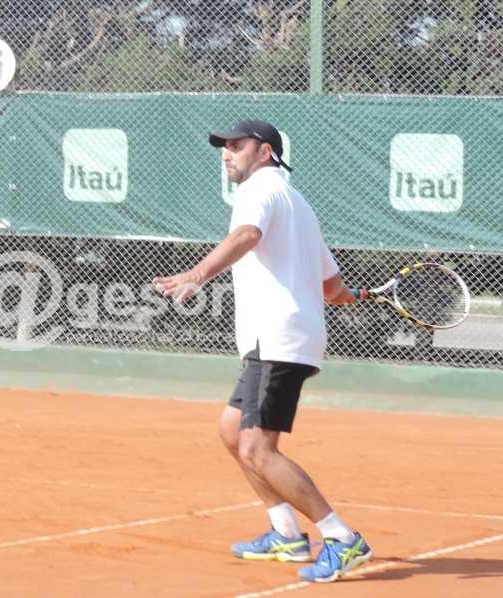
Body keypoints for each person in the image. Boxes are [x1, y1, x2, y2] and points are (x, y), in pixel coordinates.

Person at [152, 119, 372, 583]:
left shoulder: (258, 191)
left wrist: (197, 274)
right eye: (225, 146)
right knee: (232, 430)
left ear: (265, 152)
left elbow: (246, 236)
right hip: (279, 338)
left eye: (237, 146)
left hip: (278, 337)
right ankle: (286, 532)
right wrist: (352, 295)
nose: (227, 153)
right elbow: (332, 288)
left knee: (256, 448)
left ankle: (341, 537)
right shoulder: (298, 203)